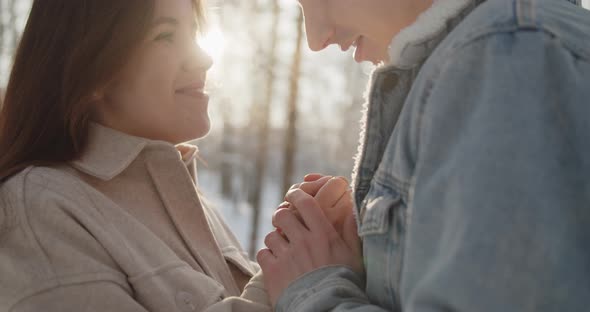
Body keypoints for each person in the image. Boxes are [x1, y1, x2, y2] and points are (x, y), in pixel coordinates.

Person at [258, 0, 590, 311]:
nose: (316, 39)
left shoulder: (509, 57)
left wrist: (315, 292)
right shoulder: (492, 61)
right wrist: (373, 260)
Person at [0, 1, 279, 311]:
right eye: (165, 36)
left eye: (194, 31)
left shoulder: (193, 203)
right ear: (92, 68)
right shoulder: (40, 212)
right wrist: (288, 280)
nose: (204, 58)